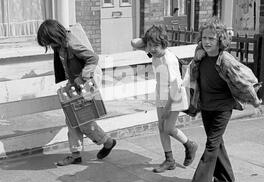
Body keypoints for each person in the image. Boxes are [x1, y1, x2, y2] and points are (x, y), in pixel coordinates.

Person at [186, 17, 262, 182]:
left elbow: (242, 83)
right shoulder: (201, 55)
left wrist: (255, 102)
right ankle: (226, 178)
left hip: (222, 107)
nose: (207, 41)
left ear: (220, 39)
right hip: (206, 105)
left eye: (212, 38)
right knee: (217, 142)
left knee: (211, 144)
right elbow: (193, 75)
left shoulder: (225, 60)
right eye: (204, 38)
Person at [37, 19, 117, 166]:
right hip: (76, 82)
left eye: (49, 42)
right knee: (71, 119)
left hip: (86, 81)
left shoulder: (71, 43)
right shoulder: (60, 45)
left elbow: (93, 58)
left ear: (54, 37)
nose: (50, 46)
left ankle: (107, 141)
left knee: (83, 120)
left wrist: (83, 77)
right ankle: (75, 154)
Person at [131, 25, 198, 173]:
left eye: (156, 45)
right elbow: (133, 43)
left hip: (174, 95)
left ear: (164, 44)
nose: (152, 49)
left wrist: (167, 109)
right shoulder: (154, 54)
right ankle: (169, 160)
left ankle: (189, 144)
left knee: (168, 128)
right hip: (161, 92)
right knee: (161, 128)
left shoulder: (169, 60)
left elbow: (176, 87)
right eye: (149, 45)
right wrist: (148, 38)